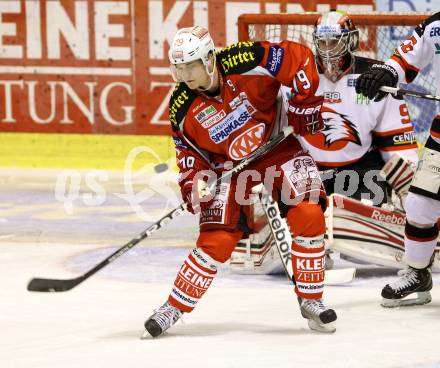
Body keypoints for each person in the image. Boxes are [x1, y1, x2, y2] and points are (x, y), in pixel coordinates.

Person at [143, 25, 337, 337]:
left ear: (208, 59)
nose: (185, 75)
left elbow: (299, 59)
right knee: (217, 239)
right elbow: (188, 157)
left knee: (309, 213)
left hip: (278, 145)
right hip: (229, 168)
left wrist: (305, 102)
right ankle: (173, 307)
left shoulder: (247, 59)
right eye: (179, 68)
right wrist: (195, 183)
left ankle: (312, 301)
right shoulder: (181, 106)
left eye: (191, 66)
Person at [230, 11, 419, 276]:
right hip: (307, 169)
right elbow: (265, 131)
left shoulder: (376, 79)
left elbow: (398, 145)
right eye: (323, 41)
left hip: (359, 170)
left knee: (367, 244)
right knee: (297, 217)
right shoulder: (293, 76)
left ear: (351, 41)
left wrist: (414, 199)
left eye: (335, 41)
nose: (328, 49)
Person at [356, 12, 440, 307]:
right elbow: (403, 61)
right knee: (420, 204)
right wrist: (386, 73)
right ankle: (418, 273)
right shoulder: (435, 27)